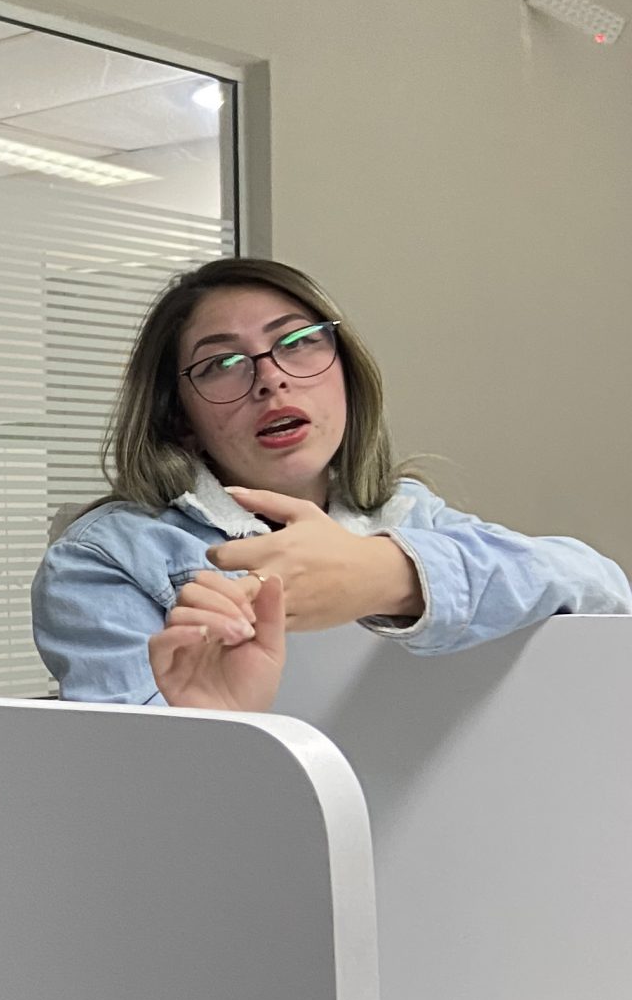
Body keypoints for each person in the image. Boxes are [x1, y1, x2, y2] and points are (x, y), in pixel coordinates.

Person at [32, 255, 631, 712]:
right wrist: (215, 726)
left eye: (297, 343)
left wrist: (391, 575)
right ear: (179, 418)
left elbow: (602, 591)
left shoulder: (407, 513)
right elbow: (123, 799)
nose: (271, 379)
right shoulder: (106, 557)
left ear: (346, 371)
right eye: (222, 364)